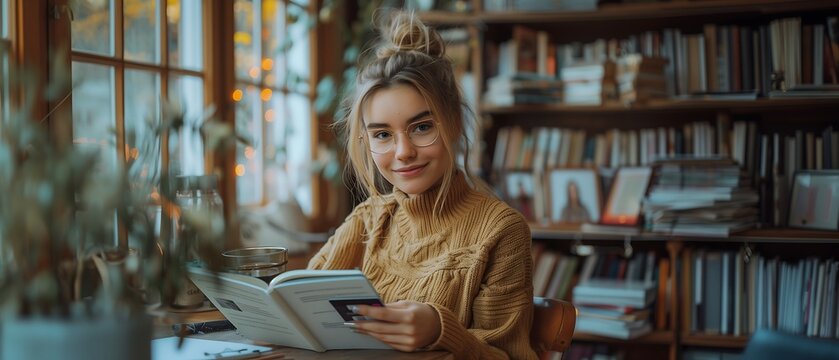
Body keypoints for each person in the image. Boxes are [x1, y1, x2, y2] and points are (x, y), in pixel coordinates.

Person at [307, 11, 538, 360]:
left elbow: (509, 356)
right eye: (382, 135)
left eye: (421, 127)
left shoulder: (501, 230)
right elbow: (301, 306)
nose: (403, 152)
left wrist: (440, 330)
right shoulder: (368, 219)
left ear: (455, 123)